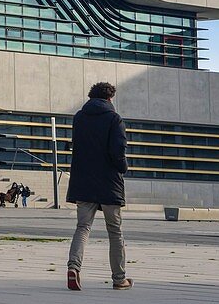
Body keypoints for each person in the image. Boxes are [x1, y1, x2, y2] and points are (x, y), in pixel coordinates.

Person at [66, 82, 132, 291]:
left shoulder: (79, 118)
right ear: (110, 98)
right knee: (114, 231)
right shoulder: (114, 119)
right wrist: (123, 168)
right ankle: (119, 278)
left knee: (83, 228)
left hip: (83, 182)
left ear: (91, 97)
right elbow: (118, 151)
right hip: (108, 183)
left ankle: (73, 268)